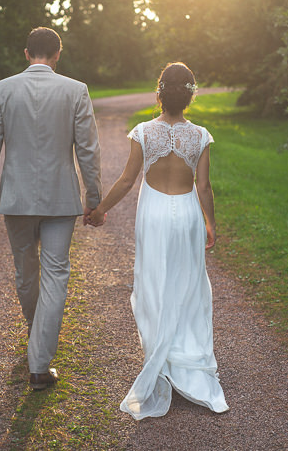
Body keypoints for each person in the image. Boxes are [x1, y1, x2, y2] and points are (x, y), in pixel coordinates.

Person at [88, 62, 229, 419]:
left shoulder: (143, 132)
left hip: (153, 216)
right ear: (190, 96)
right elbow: (204, 186)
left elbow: (125, 180)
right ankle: (184, 359)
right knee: (188, 285)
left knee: (153, 284)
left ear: (159, 93)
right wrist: (210, 222)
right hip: (187, 215)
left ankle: (161, 358)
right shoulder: (200, 135)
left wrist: (100, 209)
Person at [0, 27, 103, 390]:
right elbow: (88, 151)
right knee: (56, 273)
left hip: (18, 200)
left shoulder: (2, 89)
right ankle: (40, 361)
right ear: (58, 54)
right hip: (61, 199)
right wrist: (95, 199)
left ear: (27, 53)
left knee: (26, 272)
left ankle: (37, 342)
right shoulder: (75, 90)